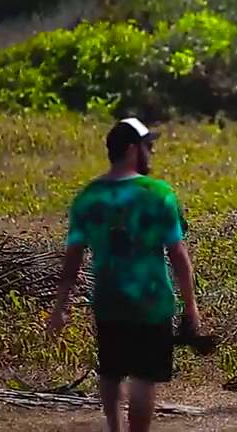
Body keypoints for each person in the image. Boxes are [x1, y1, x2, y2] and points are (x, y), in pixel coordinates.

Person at [48, 117, 200, 432]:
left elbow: (73, 256)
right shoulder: (158, 193)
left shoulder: (89, 197)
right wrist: (191, 307)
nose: (151, 153)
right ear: (133, 149)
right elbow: (178, 255)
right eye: (148, 147)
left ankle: (114, 427)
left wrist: (61, 306)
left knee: (111, 370)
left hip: (109, 299)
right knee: (144, 377)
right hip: (152, 300)